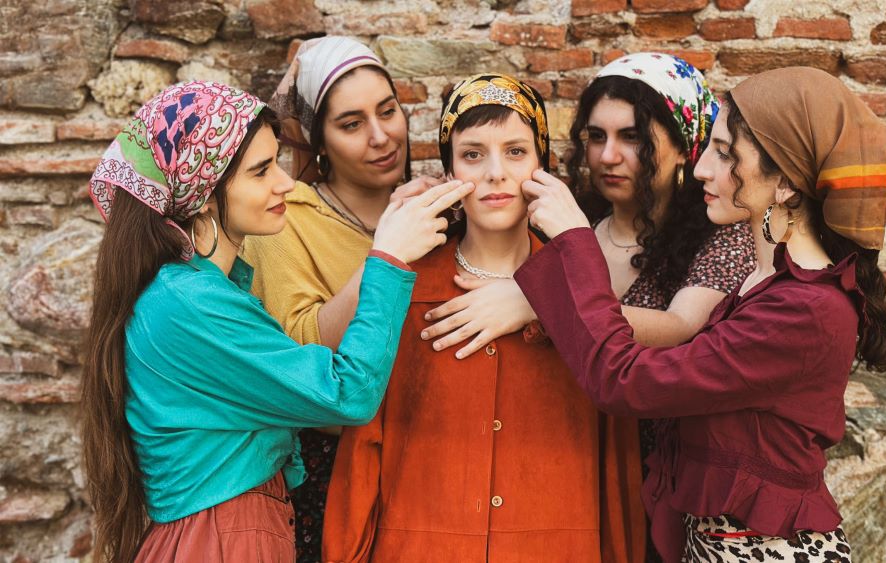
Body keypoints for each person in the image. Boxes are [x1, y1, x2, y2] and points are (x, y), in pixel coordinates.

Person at [514, 67, 886, 562]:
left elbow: (623, 380)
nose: (700, 169)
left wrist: (574, 241)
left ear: (784, 183)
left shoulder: (806, 308)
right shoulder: (766, 281)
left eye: (725, 153)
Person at [80, 81, 471, 562]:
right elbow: (346, 395)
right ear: (203, 194)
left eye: (278, 164)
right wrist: (388, 259)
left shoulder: (200, 291)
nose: (285, 183)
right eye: (261, 171)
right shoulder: (190, 303)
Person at [419, 54, 755, 561]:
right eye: (596, 137)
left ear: (685, 143)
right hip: (582, 464)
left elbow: (684, 326)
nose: (608, 156)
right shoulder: (572, 224)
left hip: (678, 473)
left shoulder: (720, 233)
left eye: (632, 137)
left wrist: (538, 303)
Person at [322, 73, 644, 563]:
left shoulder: (583, 291)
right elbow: (363, 444)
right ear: (450, 171)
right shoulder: (405, 290)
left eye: (515, 152)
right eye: (473, 154)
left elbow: (616, 458)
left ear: (542, 165)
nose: (495, 172)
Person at [240, 37, 453, 560]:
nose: (381, 137)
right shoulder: (286, 218)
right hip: (337, 471)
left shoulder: (438, 210)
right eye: (351, 124)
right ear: (320, 140)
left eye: (388, 111)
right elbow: (302, 351)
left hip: (435, 463)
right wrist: (387, 253)